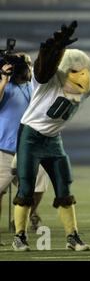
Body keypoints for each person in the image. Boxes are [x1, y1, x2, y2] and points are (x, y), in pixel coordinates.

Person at [12, 21, 90, 251]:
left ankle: (73, 237)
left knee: (64, 187)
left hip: (53, 139)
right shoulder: (47, 81)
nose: (82, 77)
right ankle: (19, 236)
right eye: (75, 71)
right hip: (30, 136)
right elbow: (43, 67)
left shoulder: (86, 83)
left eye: (84, 71)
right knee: (26, 188)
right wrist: (55, 47)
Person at [0, 54, 49, 245]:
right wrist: (3, 79)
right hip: (4, 148)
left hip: (30, 148)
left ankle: (28, 214)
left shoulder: (33, 86)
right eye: (27, 65)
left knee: (38, 185)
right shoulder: (6, 86)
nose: (31, 69)